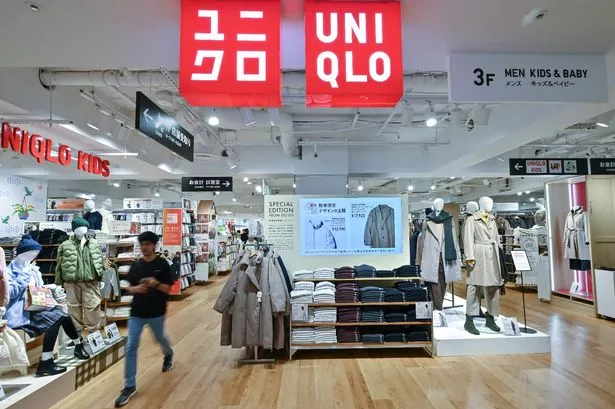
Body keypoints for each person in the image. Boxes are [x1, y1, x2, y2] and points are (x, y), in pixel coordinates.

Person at [5, 234, 89, 377]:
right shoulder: (10, 272)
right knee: (57, 318)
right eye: (30, 253)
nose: (33, 256)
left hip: (33, 309)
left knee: (63, 315)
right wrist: (24, 276)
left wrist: (48, 288)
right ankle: (46, 361)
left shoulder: (32, 268)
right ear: (21, 253)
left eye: (36, 253)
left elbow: (37, 289)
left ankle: (77, 345)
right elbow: (10, 294)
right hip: (19, 314)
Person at [115, 231, 175, 407]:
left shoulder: (163, 265)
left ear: (154, 245)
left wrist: (154, 283)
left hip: (157, 311)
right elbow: (129, 286)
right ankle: (129, 385)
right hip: (137, 312)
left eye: (147, 244)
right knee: (131, 347)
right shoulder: (137, 265)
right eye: (142, 245)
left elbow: (168, 289)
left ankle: (168, 353)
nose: (144, 248)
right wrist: (134, 290)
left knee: (159, 338)